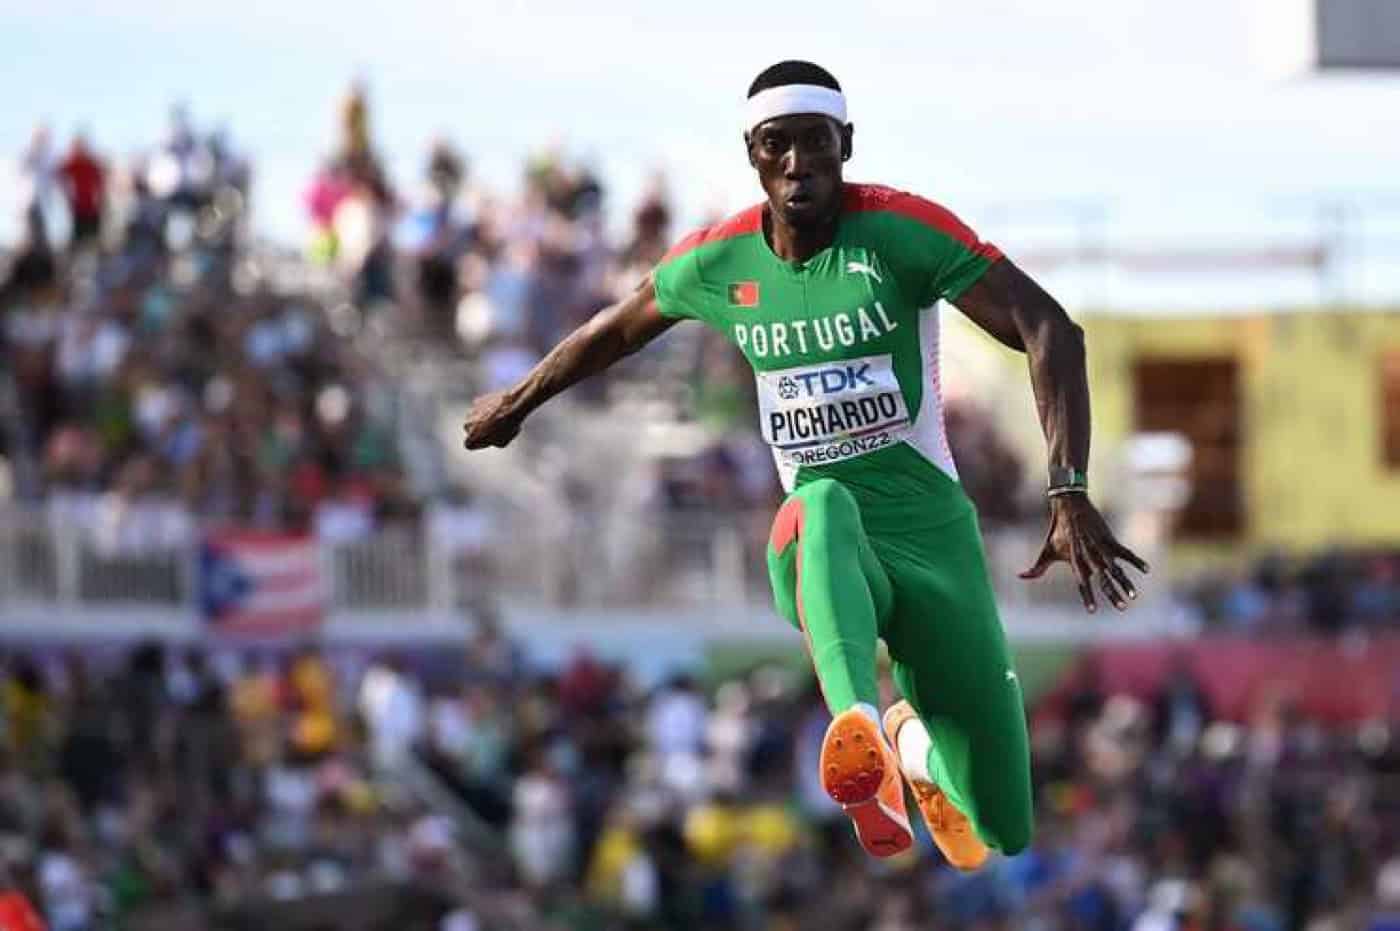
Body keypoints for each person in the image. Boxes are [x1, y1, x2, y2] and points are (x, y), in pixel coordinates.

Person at [463, 60, 1149, 869]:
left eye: (815, 143)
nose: (798, 163)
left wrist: (1068, 488)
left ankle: (910, 748)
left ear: (846, 144)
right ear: (752, 154)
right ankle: (859, 725)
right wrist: (516, 400)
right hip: (820, 549)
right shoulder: (718, 262)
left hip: (934, 542)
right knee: (823, 503)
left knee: (1002, 827)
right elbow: (615, 329)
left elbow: (1051, 330)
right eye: (776, 145)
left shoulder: (901, 233)